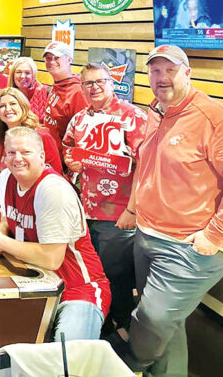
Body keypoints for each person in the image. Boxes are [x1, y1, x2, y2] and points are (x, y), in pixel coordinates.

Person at [115, 45, 223, 376]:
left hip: (188, 246)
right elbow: (147, 165)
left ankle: (123, 363)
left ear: (187, 73)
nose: (162, 78)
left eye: (170, 70)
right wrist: (134, 209)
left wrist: (215, 234)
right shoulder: (157, 111)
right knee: (168, 326)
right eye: (155, 71)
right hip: (149, 235)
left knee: (154, 317)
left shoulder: (216, 119)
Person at [0, 126, 111, 341]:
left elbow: (51, 258)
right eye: (11, 152)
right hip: (37, 284)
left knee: (67, 357)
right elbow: (8, 217)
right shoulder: (6, 178)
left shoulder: (51, 190)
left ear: (41, 156)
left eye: (26, 152)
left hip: (77, 289)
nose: (18, 158)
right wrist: (0, 232)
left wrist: (1, 241)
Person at [61, 63, 147, 334]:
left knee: (116, 274)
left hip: (118, 213)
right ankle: (96, 324)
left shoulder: (133, 117)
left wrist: (133, 210)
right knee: (94, 274)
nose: (95, 87)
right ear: (82, 87)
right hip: (85, 210)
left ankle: (119, 328)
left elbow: (146, 165)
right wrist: (71, 162)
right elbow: (68, 148)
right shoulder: (79, 119)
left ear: (112, 83)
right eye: (88, 83)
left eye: (101, 81)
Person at [0, 88, 62, 175]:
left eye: (13, 104)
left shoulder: (42, 136)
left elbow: (55, 172)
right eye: (2, 106)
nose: (8, 109)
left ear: (23, 106)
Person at [42, 41, 88, 153]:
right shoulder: (56, 85)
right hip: (51, 152)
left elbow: (83, 132)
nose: (52, 62)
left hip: (64, 159)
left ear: (69, 60)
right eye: (48, 58)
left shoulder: (78, 91)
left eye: (56, 58)